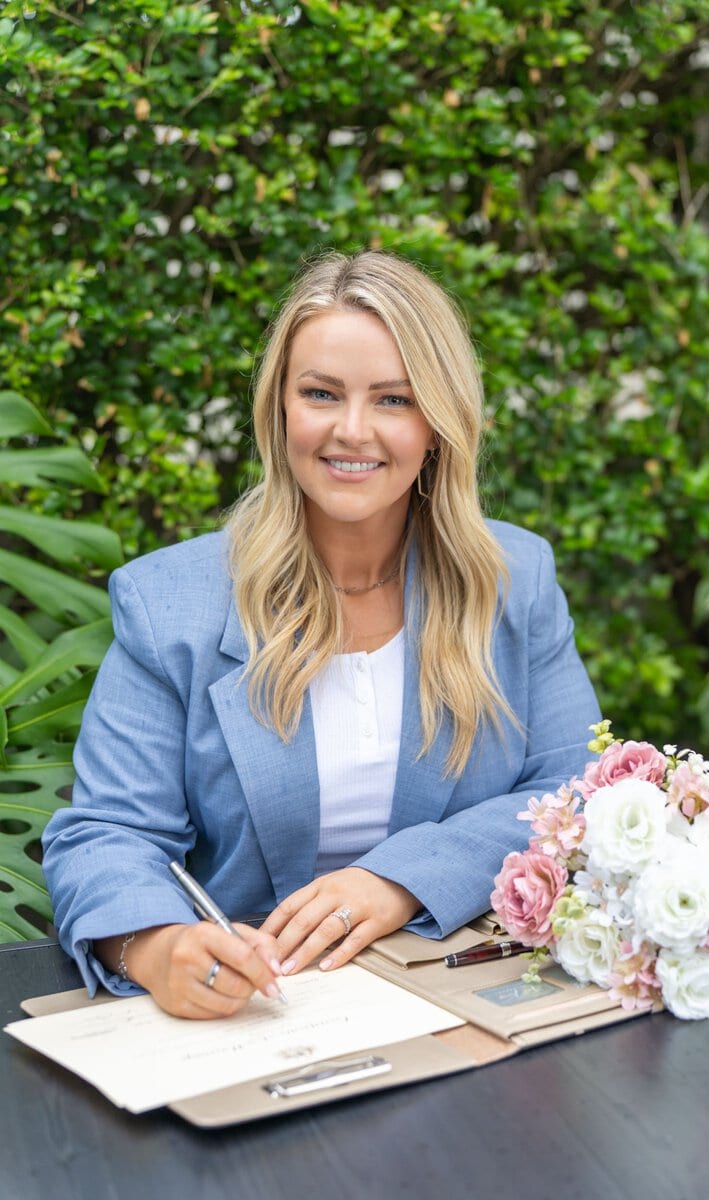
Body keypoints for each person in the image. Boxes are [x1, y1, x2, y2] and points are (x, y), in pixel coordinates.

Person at [42, 250, 600, 1020]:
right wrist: (157, 945)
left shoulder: (515, 579)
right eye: (320, 393)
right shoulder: (169, 604)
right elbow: (107, 833)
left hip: (460, 998)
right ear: (280, 409)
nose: (352, 430)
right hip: (254, 1016)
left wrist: (398, 880)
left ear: (439, 423)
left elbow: (574, 791)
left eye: (394, 399)